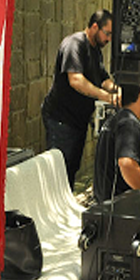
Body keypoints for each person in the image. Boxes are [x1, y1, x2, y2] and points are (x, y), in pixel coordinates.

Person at [42, 10, 120, 190]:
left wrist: (119, 90)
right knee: (59, 171)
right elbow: (76, 80)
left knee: (72, 167)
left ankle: (67, 199)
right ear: (95, 27)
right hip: (61, 118)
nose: (109, 39)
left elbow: (103, 78)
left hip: (78, 120)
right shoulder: (74, 44)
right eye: (107, 33)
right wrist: (106, 97)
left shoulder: (96, 51)